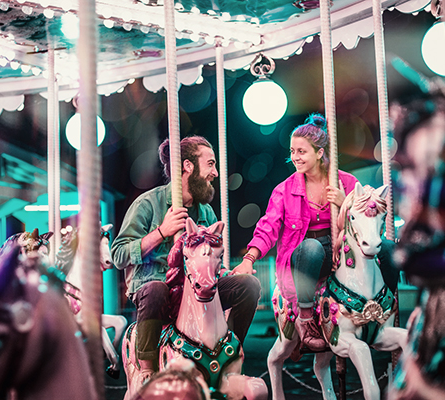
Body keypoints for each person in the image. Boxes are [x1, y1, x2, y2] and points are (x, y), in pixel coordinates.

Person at [232, 113, 397, 352]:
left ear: (319, 153)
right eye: (292, 151)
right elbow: (268, 226)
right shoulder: (285, 190)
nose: (294, 157)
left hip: (342, 250)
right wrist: (249, 259)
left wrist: (344, 203)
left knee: (390, 248)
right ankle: (306, 317)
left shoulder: (347, 182)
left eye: (301, 151)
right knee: (312, 248)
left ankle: (386, 305)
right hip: (305, 257)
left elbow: (368, 216)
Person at [111, 135, 262, 386]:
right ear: (188, 166)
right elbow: (118, 254)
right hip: (157, 286)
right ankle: (146, 371)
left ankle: (229, 353)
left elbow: (211, 263)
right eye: (210, 164)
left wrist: (225, 273)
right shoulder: (148, 203)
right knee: (156, 290)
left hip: (196, 290)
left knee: (248, 286)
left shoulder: (206, 212)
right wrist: (161, 232)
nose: (215, 172)